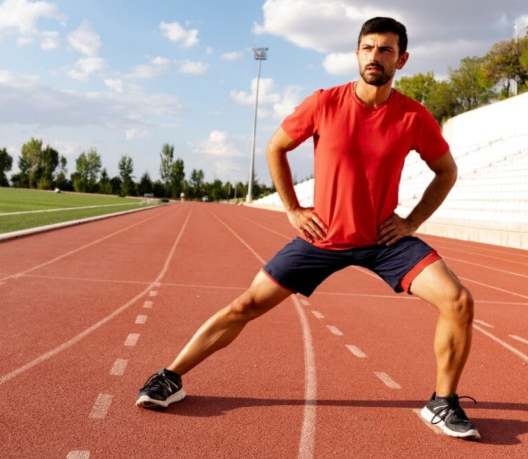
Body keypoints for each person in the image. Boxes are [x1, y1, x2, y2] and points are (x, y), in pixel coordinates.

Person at [136, 16, 480, 441]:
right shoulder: (323, 103)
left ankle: (442, 403)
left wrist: (411, 221)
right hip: (324, 236)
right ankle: (170, 377)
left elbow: (446, 171)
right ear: (357, 54)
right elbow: (276, 146)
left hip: (383, 241)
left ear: (402, 60)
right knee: (247, 305)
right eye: (368, 47)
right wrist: (293, 209)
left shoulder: (413, 116)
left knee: (458, 301)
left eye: (386, 49)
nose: (376, 56)